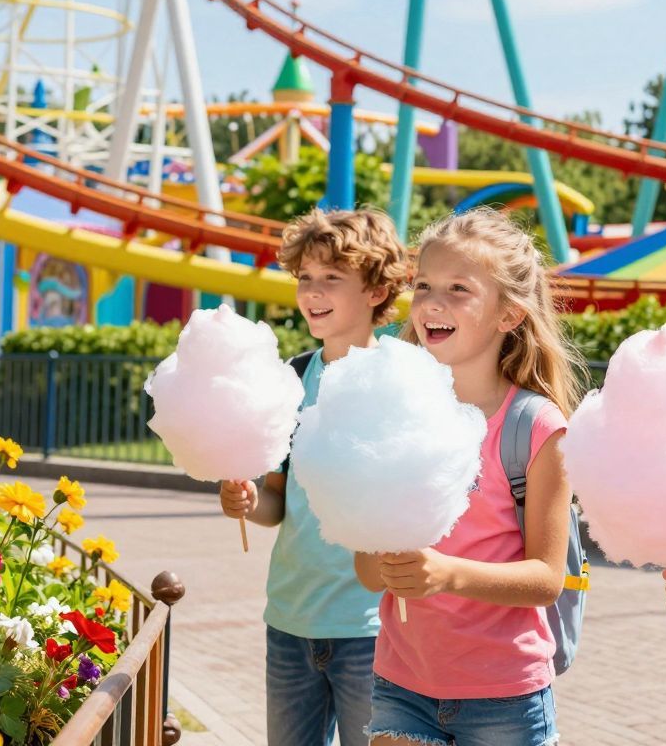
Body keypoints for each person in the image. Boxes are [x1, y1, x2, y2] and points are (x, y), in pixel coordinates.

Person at [352, 209, 579, 746]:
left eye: (459, 289)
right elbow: (366, 572)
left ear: (509, 315)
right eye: (425, 285)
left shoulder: (538, 427)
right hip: (400, 685)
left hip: (505, 696)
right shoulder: (391, 413)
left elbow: (546, 580)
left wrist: (447, 573)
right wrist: (386, 561)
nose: (432, 302)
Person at [220, 208, 409, 746]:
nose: (312, 292)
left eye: (332, 278)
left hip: (372, 630)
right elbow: (277, 502)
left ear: (376, 291)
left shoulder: (404, 382)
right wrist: (245, 499)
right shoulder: (292, 377)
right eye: (305, 278)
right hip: (288, 621)